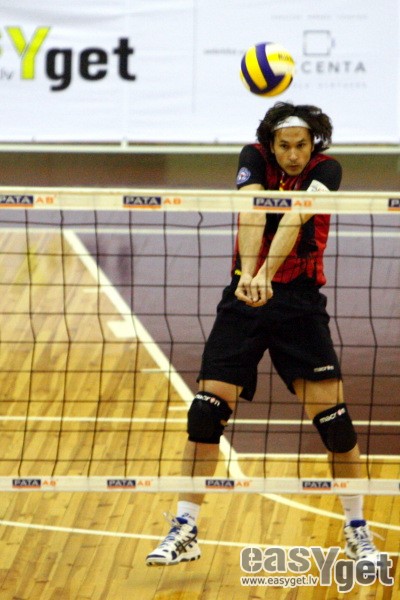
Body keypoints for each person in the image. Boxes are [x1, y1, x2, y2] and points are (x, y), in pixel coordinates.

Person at [146, 102, 380, 567]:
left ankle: (357, 528)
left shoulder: (327, 169)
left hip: (299, 303)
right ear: (271, 144)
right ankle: (186, 527)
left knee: (335, 423)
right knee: (205, 412)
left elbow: (293, 218)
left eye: (301, 146)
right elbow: (253, 214)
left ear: (313, 145)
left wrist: (266, 276)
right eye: (284, 146)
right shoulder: (253, 157)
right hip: (244, 297)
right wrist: (250, 276)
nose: (293, 155)